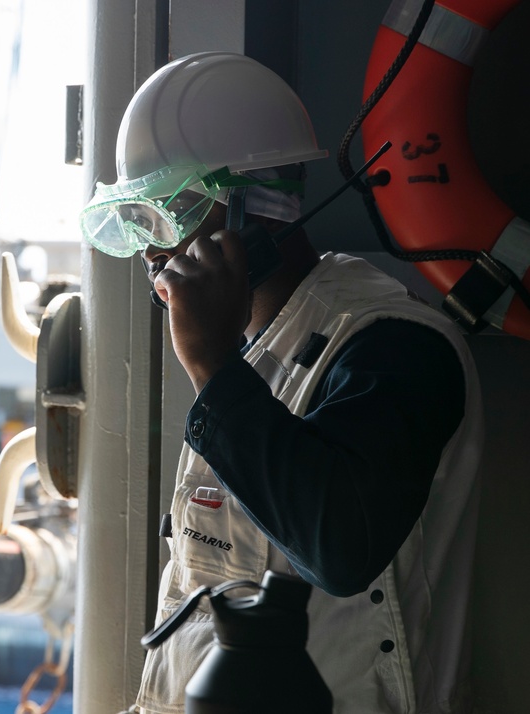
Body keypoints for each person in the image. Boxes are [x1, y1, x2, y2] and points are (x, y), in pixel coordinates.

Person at [80, 52, 484, 713]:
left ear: (257, 206)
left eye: (174, 212)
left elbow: (340, 550)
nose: (153, 250)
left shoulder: (395, 346)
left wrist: (210, 363)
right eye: (140, 220)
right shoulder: (258, 353)